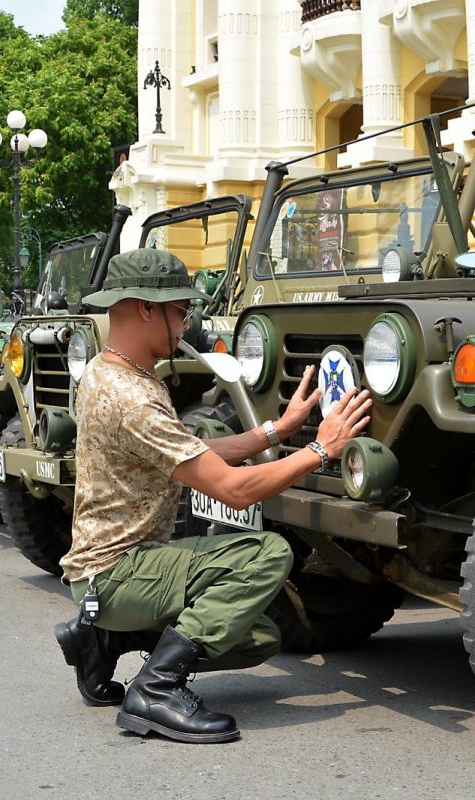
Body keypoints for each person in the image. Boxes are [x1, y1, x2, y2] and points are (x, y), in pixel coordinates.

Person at [53, 248, 372, 744]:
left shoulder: (109, 372)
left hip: (107, 571)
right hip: (117, 570)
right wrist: (319, 449)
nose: (186, 323)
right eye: (180, 310)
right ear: (145, 307)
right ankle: (155, 691)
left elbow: (189, 450)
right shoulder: (132, 396)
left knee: (258, 635)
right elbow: (233, 490)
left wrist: (275, 431)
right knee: (268, 555)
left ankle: (103, 636)